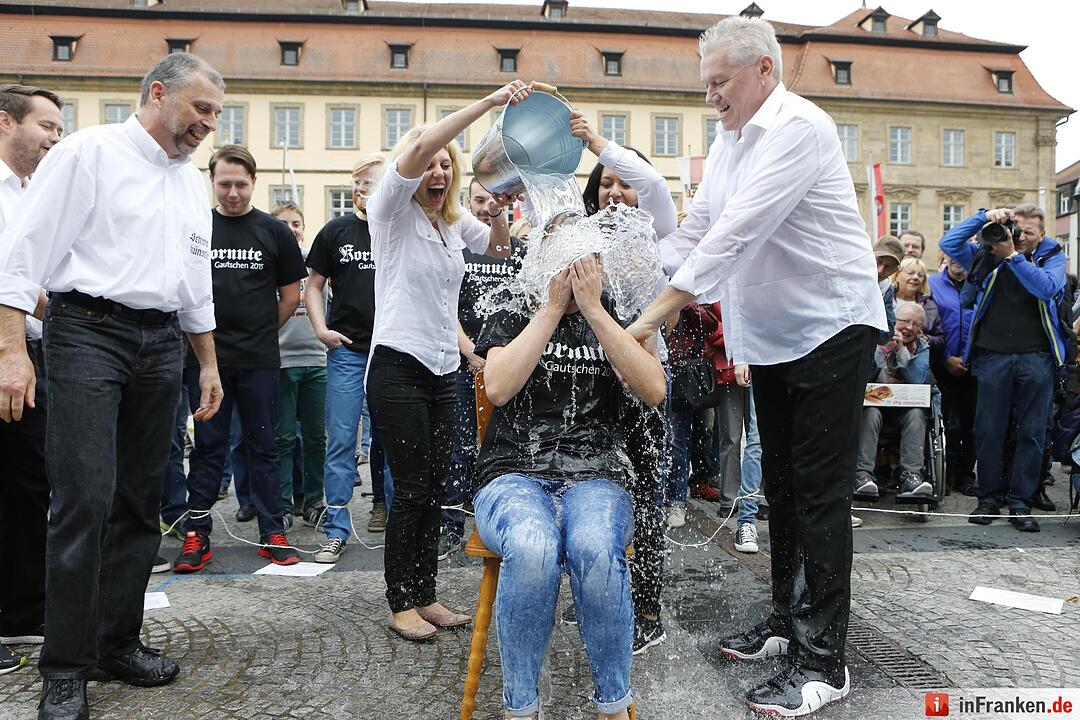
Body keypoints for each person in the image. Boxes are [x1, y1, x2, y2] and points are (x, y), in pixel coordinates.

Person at [624, 17, 885, 716]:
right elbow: (697, 227)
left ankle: (824, 663)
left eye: (720, 81)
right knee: (782, 488)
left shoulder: (800, 127)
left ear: (763, 70)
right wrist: (628, 269)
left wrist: (652, 317)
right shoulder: (730, 138)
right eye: (705, 82)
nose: (710, 96)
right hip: (772, 334)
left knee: (822, 494)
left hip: (830, 326)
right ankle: (784, 623)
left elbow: (739, 233)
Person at [0, 53, 225, 720]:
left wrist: (207, 363)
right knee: (83, 499)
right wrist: (11, 350)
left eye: (216, 114)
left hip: (160, 344)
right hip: (87, 331)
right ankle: (64, 670)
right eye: (200, 109)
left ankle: (115, 643)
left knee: (138, 502)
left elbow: (194, 281)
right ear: (157, 93)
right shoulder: (90, 152)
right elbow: (24, 251)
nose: (209, 125)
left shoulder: (189, 182)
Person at [474, 254, 666, 720]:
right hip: (513, 473)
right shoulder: (514, 309)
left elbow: (655, 390)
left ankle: (613, 703)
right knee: (533, 546)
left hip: (598, 473)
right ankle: (521, 707)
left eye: (586, 261)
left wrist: (596, 311)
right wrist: (551, 309)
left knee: (594, 545)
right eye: (563, 261)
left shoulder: (615, 311)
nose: (574, 271)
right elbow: (496, 387)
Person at [365, 81, 520, 640]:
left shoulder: (451, 223)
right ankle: (399, 600)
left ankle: (424, 593)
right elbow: (419, 148)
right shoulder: (389, 213)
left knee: (436, 486)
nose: (438, 172)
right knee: (410, 488)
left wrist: (501, 210)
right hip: (398, 366)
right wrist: (487, 106)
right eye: (429, 164)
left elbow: (498, 249)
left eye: (446, 166)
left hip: (442, 368)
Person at [572, 113, 677, 655]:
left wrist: (596, 143)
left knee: (646, 495)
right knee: (594, 485)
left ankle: (649, 606)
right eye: (604, 184)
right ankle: (598, 587)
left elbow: (657, 186)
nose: (614, 193)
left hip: (641, 385)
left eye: (622, 182)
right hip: (592, 387)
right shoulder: (583, 239)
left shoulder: (655, 234)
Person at [173, 144, 305, 572]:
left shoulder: (273, 231)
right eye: (225, 184)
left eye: (241, 185)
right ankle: (197, 534)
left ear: (254, 183)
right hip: (203, 359)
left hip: (259, 360)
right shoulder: (196, 228)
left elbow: (291, 295)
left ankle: (272, 531)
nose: (233, 193)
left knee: (262, 445)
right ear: (212, 181)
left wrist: (262, 331)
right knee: (209, 447)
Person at [939, 205, 1066, 533]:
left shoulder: (1051, 255)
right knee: (989, 430)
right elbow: (950, 243)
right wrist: (985, 217)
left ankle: (1021, 502)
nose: (1020, 236)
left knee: (1031, 433)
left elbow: (1048, 288)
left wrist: (1014, 256)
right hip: (992, 356)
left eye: (1028, 232)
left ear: (1042, 234)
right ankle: (989, 498)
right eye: (1016, 229)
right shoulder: (986, 254)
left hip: (1036, 357)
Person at [0, 83, 63, 677]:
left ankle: (21, 608)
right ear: (6, 123)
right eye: (46, 125)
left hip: (35, 356)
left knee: (27, 486)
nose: (54, 138)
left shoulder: (33, 193)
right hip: (6, 352)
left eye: (59, 130)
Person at [304, 154, 394, 564]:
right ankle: (337, 528)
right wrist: (321, 329)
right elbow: (313, 285)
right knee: (341, 442)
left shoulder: (398, 227)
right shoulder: (336, 231)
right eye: (357, 183)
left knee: (392, 441)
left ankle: (398, 526)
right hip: (347, 352)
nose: (361, 190)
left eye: (370, 183)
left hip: (392, 353)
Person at [441, 177, 523, 560]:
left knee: (507, 444)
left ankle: (498, 519)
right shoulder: (457, 250)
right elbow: (446, 306)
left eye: (492, 200)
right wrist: (471, 352)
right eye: (478, 199)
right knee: (459, 444)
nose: (484, 206)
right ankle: (452, 523)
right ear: (466, 202)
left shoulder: (516, 252)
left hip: (510, 368)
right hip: (465, 363)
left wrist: (506, 359)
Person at [271, 201, 327, 529]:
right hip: (281, 361)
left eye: (297, 223)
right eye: (284, 223)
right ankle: (282, 503)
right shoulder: (271, 261)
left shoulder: (315, 264)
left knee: (316, 436)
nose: (292, 229)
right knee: (282, 438)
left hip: (316, 359)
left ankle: (314, 500)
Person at [855, 303, 932, 499]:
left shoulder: (921, 347)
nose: (908, 327)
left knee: (916, 414)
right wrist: (884, 351)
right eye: (904, 321)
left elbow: (918, 379)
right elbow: (864, 375)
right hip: (873, 407)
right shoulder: (874, 342)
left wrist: (901, 353)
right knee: (871, 413)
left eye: (915, 324)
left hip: (904, 410)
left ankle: (911, 476)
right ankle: (862, 475)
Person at [928, 252, 977, 496]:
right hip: (942, 364)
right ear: (944, 257)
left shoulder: (979, 283)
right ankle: (945, 474)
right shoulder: (933, 284)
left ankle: (966, 475)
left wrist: (968, 358)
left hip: (973, 365)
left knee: (971, 423)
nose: (958, 259)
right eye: (953, 255)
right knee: (946, 422)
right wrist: (945, 358)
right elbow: (930, 323)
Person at [890, 257, 944, 356]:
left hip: (916, 360)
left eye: (920, 275)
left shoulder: (929, 306)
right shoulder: (885, 299)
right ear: (897, 275)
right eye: (910, 273)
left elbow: (940, 340)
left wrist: (925, 339)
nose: (915, 277)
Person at [873, 236, 903, 337]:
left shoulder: (886, 289)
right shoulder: (849, 277)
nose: (880, 270)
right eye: (878, 262)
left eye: (888, 267)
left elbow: (887, 333)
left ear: (895, 271)